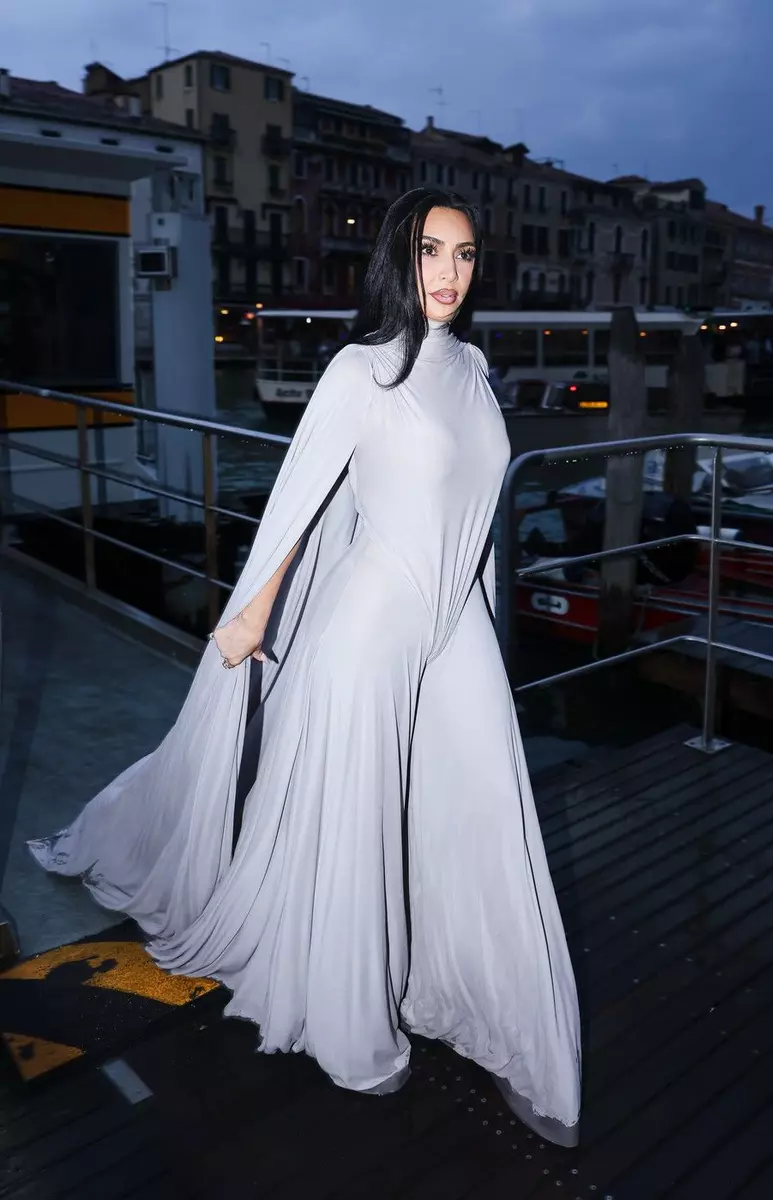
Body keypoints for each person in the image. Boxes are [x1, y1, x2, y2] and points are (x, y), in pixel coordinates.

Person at [28, 188, 581, 1146]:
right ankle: (351, 1018)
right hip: (371, 626)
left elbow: (476, 514)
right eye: (428, 251)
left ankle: (512, 1029)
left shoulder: (477, 368)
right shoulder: (358, 372)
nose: (448, 273)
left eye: (464, 254)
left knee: (490, 816)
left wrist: (481, 618)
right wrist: (249, 617)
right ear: (397, 261)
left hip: (458, 625)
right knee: (358, 826)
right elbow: (298, 502)